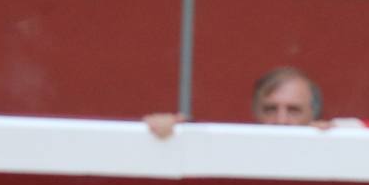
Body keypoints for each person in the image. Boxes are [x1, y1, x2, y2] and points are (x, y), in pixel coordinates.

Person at [144, 65, 352, 139]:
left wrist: (338, 132)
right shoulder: (235, 146)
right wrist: (167, 128)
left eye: (294, 110)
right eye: (270, 109)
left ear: (313, 114)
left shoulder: (332, 143)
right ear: (256, 112)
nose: (281, 120)